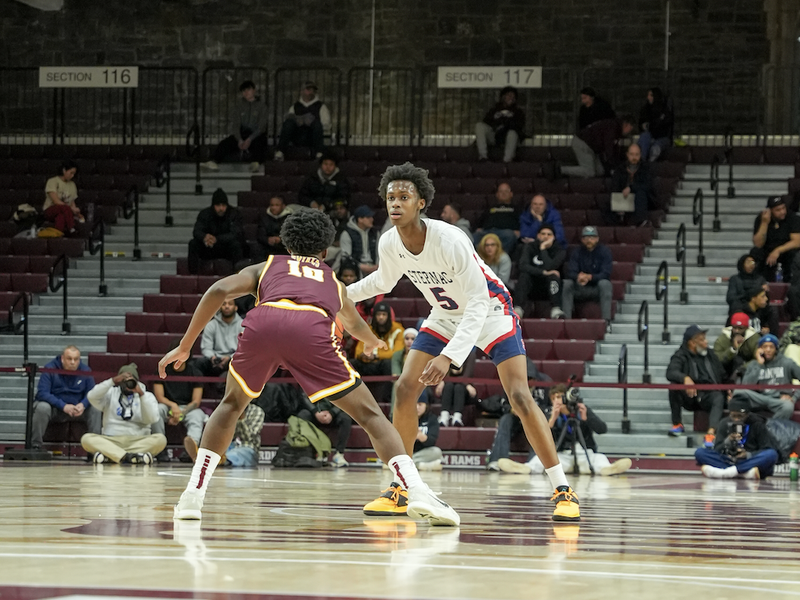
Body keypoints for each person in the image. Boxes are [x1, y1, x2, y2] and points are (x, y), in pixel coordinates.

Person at [161, 208, 460, 526]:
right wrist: (372, 342)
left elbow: (219, 290)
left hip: (264, 322)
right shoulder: (332, 281)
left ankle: (192, 497)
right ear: (324, 250)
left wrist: (185, 345)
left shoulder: (267, 267)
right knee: (371, 416)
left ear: (287, 245)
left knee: (231, 404)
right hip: (311, 328)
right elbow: (355, 324)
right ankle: (416, 491)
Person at [346, 162, 580, 522]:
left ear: (421, 202)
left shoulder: (450, 239)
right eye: (391, 197)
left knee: (519, 395)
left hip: (490, 311)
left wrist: (450, 357)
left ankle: (563, 489)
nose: (395, 202)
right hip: (444, 312)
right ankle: (401, 487)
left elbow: (477, 304)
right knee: (405, 388)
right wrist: (336, 293)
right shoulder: (390, 240)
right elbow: (382, 282)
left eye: (404, 196)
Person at [504, 385, 632, 477]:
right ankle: (526, 468)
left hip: (584, 453)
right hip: (561, 455)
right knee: (542, 459)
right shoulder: (549, 414)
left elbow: (602, 429)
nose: (557, 401)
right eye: (553, 399)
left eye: (559, 397)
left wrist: (586, 419)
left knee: (599, 458)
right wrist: (552, 419)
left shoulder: (581, 410)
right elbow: (541, 437)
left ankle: (608, 469)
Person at [81, 363, 166, 464]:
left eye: (131, 381)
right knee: (86, 439)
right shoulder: (111, 393)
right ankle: (131, 456)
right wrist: (112, 381)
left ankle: (112, 456)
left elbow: (152, 419)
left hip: (138, 439)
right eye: (124, 380)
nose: (127, 384)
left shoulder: (147, 396)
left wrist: (141, 395)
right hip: (111, 440)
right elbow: (91, 396)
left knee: (161, 440)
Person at [665, 325, 727, 446]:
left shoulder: (710, 354)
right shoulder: (681, 355)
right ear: (692, 343)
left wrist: (729, 390)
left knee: (718, 396)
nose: (706, 342)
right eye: (702, 340)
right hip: (690, 396)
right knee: (674, 386)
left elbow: (723, 375)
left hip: (709, 394)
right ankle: (677, 424)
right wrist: (685, 378)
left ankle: (710, 434)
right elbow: (671, 372)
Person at [33, 345, 100, 450]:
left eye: (76, 359)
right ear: (62, 359)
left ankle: (95, 450)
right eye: (69, 359)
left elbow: (92, 394)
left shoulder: (86, 370)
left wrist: (83, 404)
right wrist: (63, 406)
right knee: (42, 407)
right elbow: (42, 393)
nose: (73, 362)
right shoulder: (50, 368)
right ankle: (35, 446)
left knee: (96, 408)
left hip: (77, 410)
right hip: (56, 409)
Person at [487, 367, 553, 471]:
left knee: (540, 424)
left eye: (531, 379)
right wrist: (512, 410)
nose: (529, 382)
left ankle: (533, 463)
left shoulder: (546, 382)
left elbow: (550, 407)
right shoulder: (513, 382)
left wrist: (535, 412)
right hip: (516, 417)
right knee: (505, 420)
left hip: (534, 417)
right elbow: (504, 403)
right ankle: (498, 460)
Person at [151, 341, 206, 463]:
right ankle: (160, 448)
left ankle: (191, 449)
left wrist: (181, 413)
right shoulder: (161, 370)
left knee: (197, 415)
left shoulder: (195, 373)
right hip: (167, 405)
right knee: (157, 410)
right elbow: (159, 396)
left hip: (187, 408)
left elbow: (196, 401)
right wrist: (173, 406)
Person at [201, 80, 268, 173]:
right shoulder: (239, 107)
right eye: (244, 91)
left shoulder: (262, 106)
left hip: (256, 134)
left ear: (254, 90)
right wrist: (239, 139)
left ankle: (256, 163)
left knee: (260, 142)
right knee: (226, 143)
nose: (246, 93)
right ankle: (214, 161)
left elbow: (261, 126)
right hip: (242, 133)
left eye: (248, 89)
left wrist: (250, 139)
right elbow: (235, 125)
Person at [728, 334, 800, 420]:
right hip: (759, 398)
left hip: (778, 400)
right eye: (765, 347)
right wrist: (759, 365)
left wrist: (794, 398)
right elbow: (746, 386)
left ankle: (770, 428)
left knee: (788, 407)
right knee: (738, 392)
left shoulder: (787, 363)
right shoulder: (754, 364)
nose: (768, 350)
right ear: (760, 349)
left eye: (771, 347)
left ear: (776, 349)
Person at [695, 407, 779, 480]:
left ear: (747, 415)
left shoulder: (757, 424)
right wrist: (727, 441)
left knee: (771, 454)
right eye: (733, 416)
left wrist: (748, 454)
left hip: (749, 460)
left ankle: (726, 472)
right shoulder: (724, 423)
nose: (736, 419)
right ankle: (743, 472)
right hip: (728, 459)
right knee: (700, 452)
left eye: (740, 416)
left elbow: (766, 447)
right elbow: (717, 449)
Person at [561, 226, 613, 330]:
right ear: (582, 239)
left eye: (592, 237)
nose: (589, 240)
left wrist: (590, 277)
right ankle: (566, 322)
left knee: (605, 284)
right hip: (579, 288)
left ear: (597, 239)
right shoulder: (576, 252)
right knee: (567, 283)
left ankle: (606, 322)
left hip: (596, 289)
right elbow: (571, 272)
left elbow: (606, 273)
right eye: (586, 238)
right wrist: (578, 277)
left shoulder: (605, 251)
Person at [513, 224, 566, 319]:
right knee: (524, 275)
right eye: (543, 234)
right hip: (531, 285)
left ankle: (556, 309)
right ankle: (518, 308)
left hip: (548, 287)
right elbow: (523, 266)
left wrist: (543, 249)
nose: (546, 236)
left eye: (549, 234)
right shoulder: (529, 247)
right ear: (538, 236)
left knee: (554, 276)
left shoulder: (559, 250)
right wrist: (543, 272)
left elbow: (550, 267)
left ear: (554, 237)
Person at [188, 189, 245, 275]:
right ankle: (193, 275)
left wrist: (217, 239)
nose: (221, 208)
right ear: (213, 205)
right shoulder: (205, 214)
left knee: (236, 245)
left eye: (223, 205)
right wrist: (205, 237)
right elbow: (196, 231)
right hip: (209, 247)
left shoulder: (234, 214)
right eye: (218, 205)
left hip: (226, 248)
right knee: (193, 244)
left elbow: (236, 233)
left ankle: (237, 275)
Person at [561, 116, 636, 179]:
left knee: (600, 171)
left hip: (589, 146)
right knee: (589, 172)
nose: (630, 132)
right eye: (630, 129)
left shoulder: (613, 127)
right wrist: (614, 164)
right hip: (583, 143)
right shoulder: (612, 128)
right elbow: (609, 148)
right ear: (626, 124)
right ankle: (561, 170)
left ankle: (571, 173)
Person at [350, 301, 405, 384]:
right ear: (374, 316)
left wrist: (376, 356)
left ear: (389, 316)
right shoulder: (368, 329)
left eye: (384, 314)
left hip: (383, 364)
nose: (381, 317)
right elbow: (358, 351)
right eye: (378, 314)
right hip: (368, 363)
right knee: (353, 363)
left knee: (388, 364)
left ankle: (387, 396)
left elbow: (397, 353)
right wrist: (364, 355)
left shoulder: (398, 329)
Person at [274, 81, 331, 161]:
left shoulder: (321, 106)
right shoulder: (295, 106)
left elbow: (326, 124)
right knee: (288, 122)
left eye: (312, 90)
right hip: (298, 136)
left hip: (313, 137)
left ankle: (319, 152)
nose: (311, 92)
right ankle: (280, 151)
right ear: (301, 91)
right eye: (308, 89)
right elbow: (288, 122)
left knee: (317, 123)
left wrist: (312, 123)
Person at [751, 195, 800, 283]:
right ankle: (757, 283)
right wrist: (764, 223)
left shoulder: (792, 217)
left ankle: (791, 283)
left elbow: (797, 242)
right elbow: (758, 244)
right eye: (778, 210)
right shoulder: (761, 219)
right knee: (755, 252)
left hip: (786, 250)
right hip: (768, 250)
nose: (782, 212)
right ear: (770, 210)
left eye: (783, 208)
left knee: (795, 254)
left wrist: (778, 250)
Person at [297, 394, 353, 468]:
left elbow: (344, 397)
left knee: (345, 419)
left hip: (333, 412)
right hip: (314, 411)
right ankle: (311, 453)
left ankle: (339, 454)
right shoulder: (309, 382)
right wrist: (315, 411)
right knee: (302, 415)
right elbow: (303, 396)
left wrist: (332, 413)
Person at [475, 86, 525, 163]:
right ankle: (483, 157)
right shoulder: (494, 110)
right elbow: (486, 122)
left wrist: (505, 125)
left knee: (512, 133)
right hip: (495, 134)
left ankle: (507, 160)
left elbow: (518, 126)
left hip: (508, 136)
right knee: (479, 126)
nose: (511, 98)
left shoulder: (518, 112)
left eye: (513, 96)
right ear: (503, 97)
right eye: (509, 95)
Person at [608, 142, 653, 227]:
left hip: (642, 200)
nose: (634, 157)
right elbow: (615, 186)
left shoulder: (646, 168)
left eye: (637, 154)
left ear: (640, 155)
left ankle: (640, 222)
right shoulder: (620, 169)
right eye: (632, 154)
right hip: (624, 198)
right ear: (627, 155)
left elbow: (648, 186)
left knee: (640, 193)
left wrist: (631, 188)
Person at [198, 299, 244, 376]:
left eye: (230, 304)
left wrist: (230, 357)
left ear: (236, 307)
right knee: (199, 363)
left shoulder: (243, 325)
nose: (226, 306)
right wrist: (212, 357)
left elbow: (244, 349)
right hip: (215, 359)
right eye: (224, 304)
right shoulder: (211, 325)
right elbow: (206, 348)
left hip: (234, 359)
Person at [473, 182, 521, 254]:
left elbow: (521, 222)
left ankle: (499, 256)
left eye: (506, 191)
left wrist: (518, 231)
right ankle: (481, 258)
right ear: (497, 194)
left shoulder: (516, 209)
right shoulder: (490, 208)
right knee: (474, 237)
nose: (503, 193)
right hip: (488, 231)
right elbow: (480, 221)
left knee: (510, 235)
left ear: (511, 194)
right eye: (501, 191)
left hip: (505, 232)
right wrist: (478, 228)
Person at [713, 312, 760, 382]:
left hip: (747, 370)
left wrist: (741, 369)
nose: (737, 331)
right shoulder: (723, 338)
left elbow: (758, 359)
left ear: (747, 328)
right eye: (734, 327)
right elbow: (716, 360)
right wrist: (733, 349)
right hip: (727, 370)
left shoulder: (754, 338)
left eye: (740, 328)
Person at [434, 350, 477, 427]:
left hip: (464, 389)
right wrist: (443, 381)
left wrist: (466, 385)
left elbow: (467, 376)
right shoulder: (447, 354)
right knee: (449, 386)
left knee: (458, 387)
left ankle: (457, 417)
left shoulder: (470, 355)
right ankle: (444, 416)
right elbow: (444, 373)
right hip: (449, 388)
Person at [44, 160, 84, 235]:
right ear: (64, 170)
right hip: (51, 209)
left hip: (65, 212)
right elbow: (56, 201)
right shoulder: (53, 181)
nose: (72, 176)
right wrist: (71, 209)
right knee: (64, 207)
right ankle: (71, 227)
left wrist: (77, 213)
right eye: (71, 173)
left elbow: (72, 202)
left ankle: (58, 236)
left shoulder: (72, 185)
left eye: (74, 174)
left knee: (61, 217)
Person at [340, 205, 380, 277]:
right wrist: (360, 266)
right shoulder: (347, 234)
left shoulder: (375, 233)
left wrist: (377, 266)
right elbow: (346, 257)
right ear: (360, 219)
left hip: (374, 267)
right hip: (356, 267)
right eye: (368, 217)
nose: (372, 219)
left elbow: (379, 252)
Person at [223, 403, 265, 468]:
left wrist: (241, 417)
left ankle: (226, 460)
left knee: (234, 455)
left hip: (248, 447)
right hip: (230, 446)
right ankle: (223, 460)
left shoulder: (257, 411)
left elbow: (249, 437)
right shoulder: (228, 409)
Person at [637, 87, 673, 162]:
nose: (648, 97)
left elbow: (663, 127)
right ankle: (642, 161)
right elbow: (642, 125)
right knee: (645, 137)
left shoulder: (665, 110)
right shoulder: (645, 110)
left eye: (651, 95)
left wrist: (650, 125)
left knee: (656, 147)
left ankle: (649, 161)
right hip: (650, 137)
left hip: (662, 138)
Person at [390, 328, 418, 418]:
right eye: (407, 338)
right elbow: (396, 374)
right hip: (401, 382)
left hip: (418, 382)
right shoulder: (397, 355)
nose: (409, 341)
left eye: (412, 339)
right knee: (397, 386)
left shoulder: (420, 356)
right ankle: (393, 416)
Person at [255, 195, 291, 261]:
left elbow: (291, 235)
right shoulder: (264, 218)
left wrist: (280, 239)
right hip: (267, 248)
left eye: (277, 205)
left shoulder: (290, 218)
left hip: (284, 248)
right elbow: (260, 235)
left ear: (283, 206)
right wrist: (267, 239)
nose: (274, 207)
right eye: (272, 205)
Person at [413, 393, 444, 470]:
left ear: (425, 405)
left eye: (420, 404)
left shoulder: (432, 419)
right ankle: (419, 465)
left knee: (437, 452)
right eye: (415, 404)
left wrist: (421, 436)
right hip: (405, 451)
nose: (417, 407)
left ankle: (408, 464)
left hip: (422, 452)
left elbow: (432, 441)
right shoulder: (404, 417)